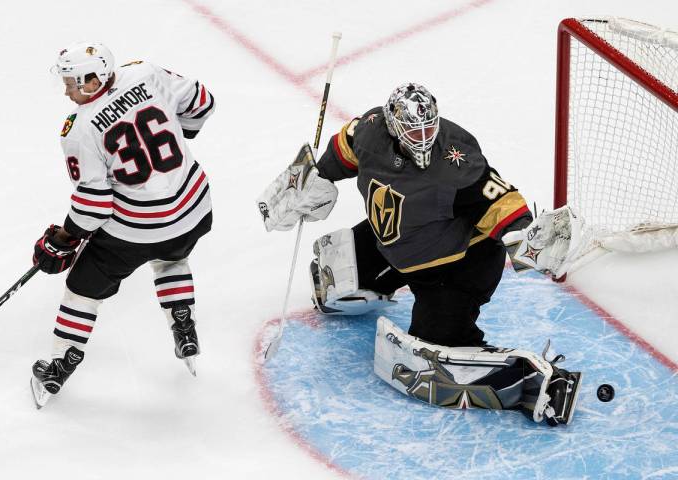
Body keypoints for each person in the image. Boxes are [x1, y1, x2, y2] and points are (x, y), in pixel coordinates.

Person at [257, 83, 583, 426]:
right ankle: (382, 281)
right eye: (415, 129)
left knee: (431, 358)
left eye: (430, 127)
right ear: (394, 125)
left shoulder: (457, 158)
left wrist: (528, 238)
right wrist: (313, 179)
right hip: (396, 240)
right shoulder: (370, 130)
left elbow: (500, 202)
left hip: (456, 265)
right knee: (332, 272)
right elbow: (343, 149)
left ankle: (534, 384)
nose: (424, 136)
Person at [30, 42, 215, 407]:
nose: (66, 91)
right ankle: (184, 326)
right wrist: (180, 135)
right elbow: (202, 102)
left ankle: (59, 365)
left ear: (94, 78)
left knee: (83, 287)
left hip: (137, 231)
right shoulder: (145, 71)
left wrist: (64, 239)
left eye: (72, 82)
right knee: (171, 256)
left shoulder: (79, 129)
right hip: (194, 209)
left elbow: (95, 206)